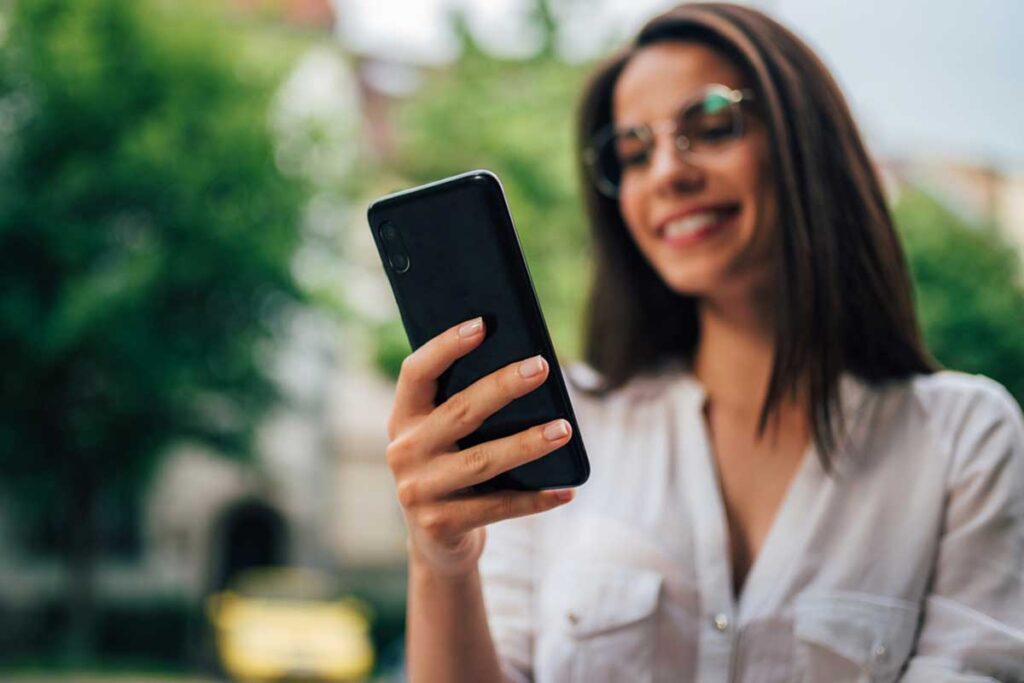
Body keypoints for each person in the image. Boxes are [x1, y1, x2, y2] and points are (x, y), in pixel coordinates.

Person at [383, 3, 1024, 681]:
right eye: (633, 152)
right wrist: (440, 557)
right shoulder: (559, 434)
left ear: (807, 141)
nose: (666, 172)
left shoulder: (963, 442)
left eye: (711, 125)